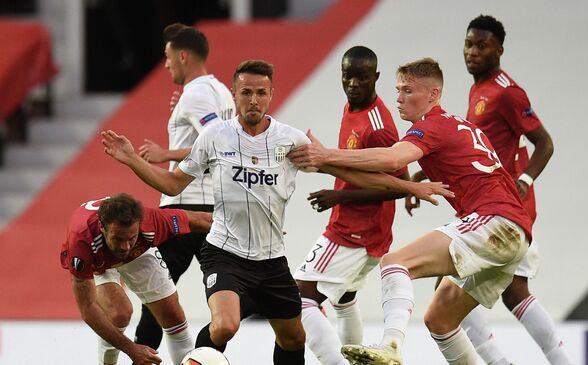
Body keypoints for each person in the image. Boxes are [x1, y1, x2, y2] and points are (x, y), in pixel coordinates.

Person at [102, 59, 451, 364]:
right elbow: (173, 184)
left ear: (270, 95)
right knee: (225, 325)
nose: (253, 100)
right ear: (235, 95)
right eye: (246, 92)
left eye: (260, 92)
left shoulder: (290, 140)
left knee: (294, 338)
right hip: (225, 253)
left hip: (271, 260)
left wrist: (411, 187)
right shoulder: (214, 136)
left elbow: (347, 173)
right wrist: (132, 158)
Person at [289, 57, 533, 365]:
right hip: (514, 233)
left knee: (394, 263)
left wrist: (327, 153)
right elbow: (394, 176)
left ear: (433, 95)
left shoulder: (432, 126)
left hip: (492, 221)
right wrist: (325, 163)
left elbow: (392, 160)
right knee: (440, 320)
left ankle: (391, 344)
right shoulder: (458, 125)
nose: (399, 98)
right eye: (397, 90)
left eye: (408, 91)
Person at [406, 15, 571, 365]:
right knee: (490, 292)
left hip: (507, 207)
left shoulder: (506, 92)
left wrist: (524, 181)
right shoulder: (478, 88)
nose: (473, 51)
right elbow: (475, 151)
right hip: (489, 207)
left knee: (495, 292)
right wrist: (421, 173)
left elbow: (544, 143)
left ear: (499, 49)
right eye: (469, 44)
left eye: (482, 45)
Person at [294, 46, 409, 365]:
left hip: (354, 231)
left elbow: (397, 184)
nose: (353, 83)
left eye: (361, 77)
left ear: (376, 77)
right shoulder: (352, 107)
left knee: (300, 299)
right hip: (366, 232)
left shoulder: (379, 124)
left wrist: (339, 196)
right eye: (347, 76)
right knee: (344, 298)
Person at [132, 23, 236, 354]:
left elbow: (219, 141)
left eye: (167, 57)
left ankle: (142, 357)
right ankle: (207, 359)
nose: (165, 65)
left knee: (155, 296)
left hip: (183, 205)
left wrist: (166, 154)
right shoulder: (221, 91)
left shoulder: (196, 94)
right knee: (224, 299)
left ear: (183, 55)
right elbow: (222, 137)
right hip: (215, 208)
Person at [59, 193, 213, 365]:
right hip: (99, 260)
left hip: (138, 253)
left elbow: (205, 220)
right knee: (119, 313)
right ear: (102, 227)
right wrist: (131, 349)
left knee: (173, 316)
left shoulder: (153, 221)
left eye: (130, 237)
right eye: (118, 238)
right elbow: (87, 309)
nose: (125, 246)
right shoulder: (81, 242)